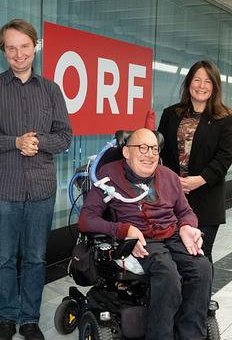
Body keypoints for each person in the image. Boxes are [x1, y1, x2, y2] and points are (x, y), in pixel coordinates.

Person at [0, 19, 72, 340]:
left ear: (35, 46)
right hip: (2, 189)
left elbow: (65, 136)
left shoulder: (51, 90)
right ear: (3, 51)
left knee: (35, 258)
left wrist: (38, 141)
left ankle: (29, 320)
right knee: (2, 258)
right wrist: (15, 142)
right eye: (11, 47)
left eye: (24, 46)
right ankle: (6, 319)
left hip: (40, 190)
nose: (19, 54)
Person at [79, 128, 211, 340]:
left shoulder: (168, 176)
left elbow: (185, 211)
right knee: (168, 275)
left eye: (154, 149)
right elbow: (86, 220)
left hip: (172, 234)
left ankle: (191, 335)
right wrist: (124, 230)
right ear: (126, 152)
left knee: (202, 268)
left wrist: (187, 226)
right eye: (142, 147)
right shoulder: (109, 175)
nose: (149, 154)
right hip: (141, 239)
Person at [157, 60, 232, 264]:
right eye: (197, 80)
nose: (201, 86)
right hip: (172, 197)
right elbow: (160, 151)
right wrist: (172, 180)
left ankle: (201, 297)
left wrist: (198, 180)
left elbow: (225, 157)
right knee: (172, 254)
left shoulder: (225, 118)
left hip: (206, 197)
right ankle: (177, 296)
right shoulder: (170, 114)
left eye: (207, 81)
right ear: (188, 83)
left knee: (201, 254)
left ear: (215, 86)